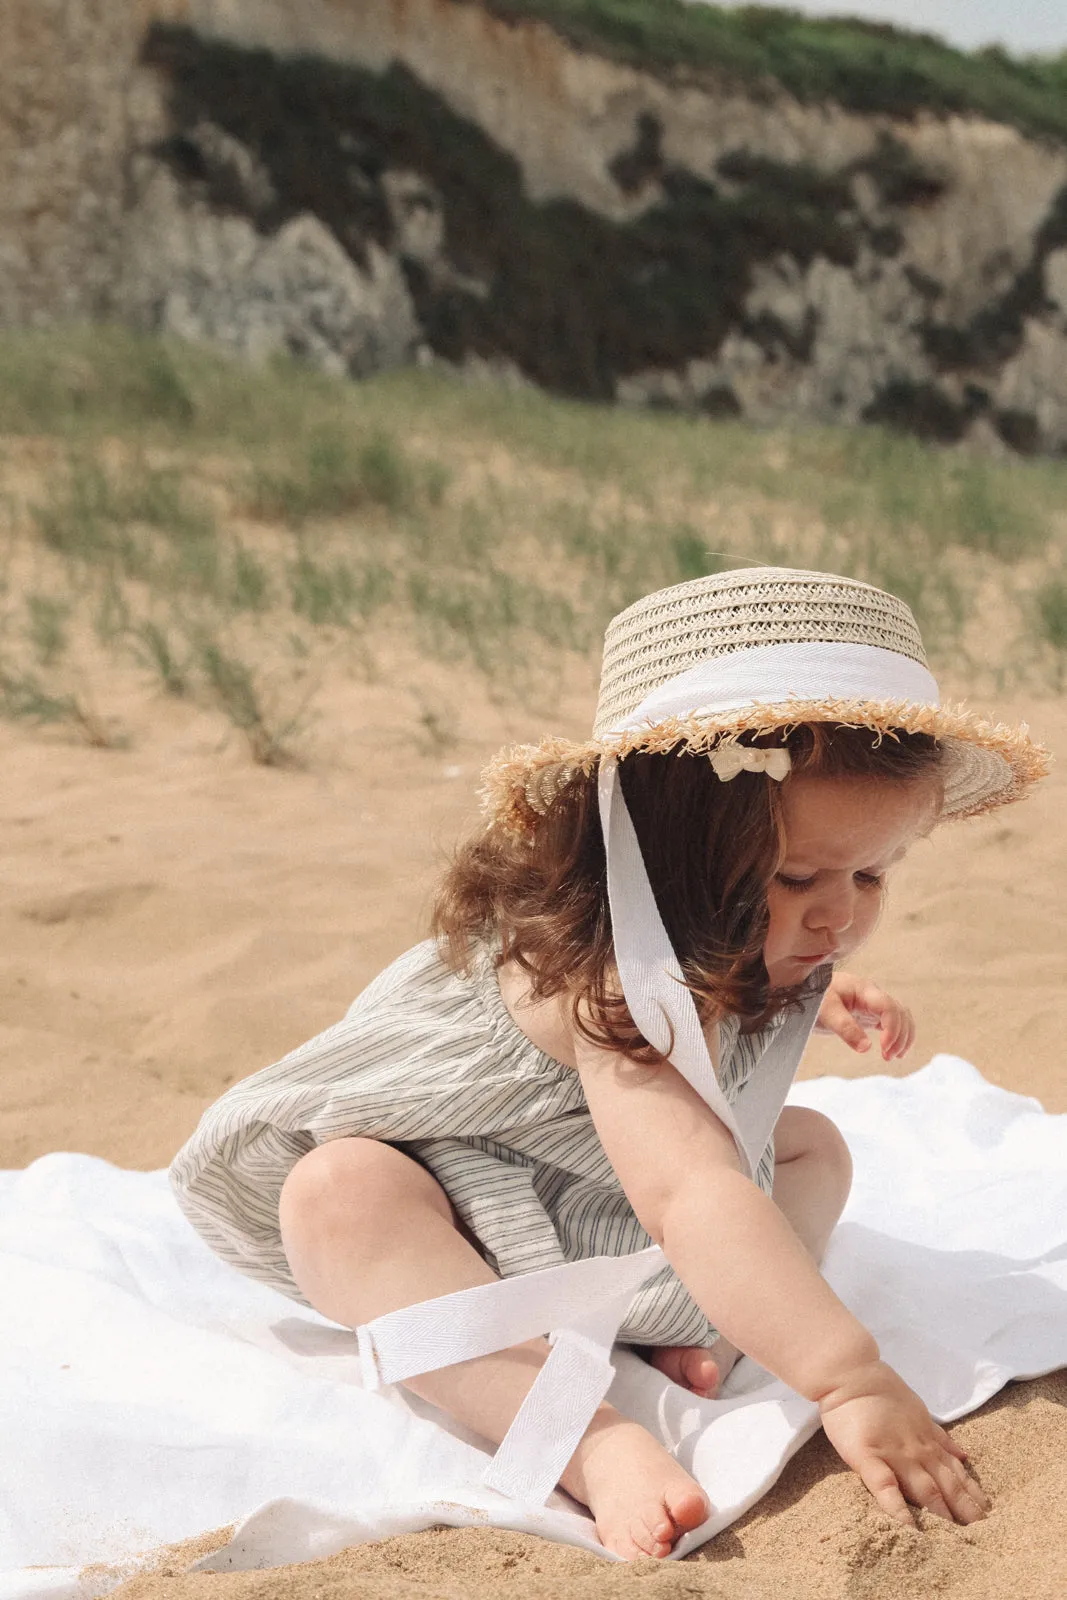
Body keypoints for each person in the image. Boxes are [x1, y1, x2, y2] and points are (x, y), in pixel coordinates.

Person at [170, 567, 1047, 1561]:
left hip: (594, 1204)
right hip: (468, 1214)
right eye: (797, 877)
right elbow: (685, 1190)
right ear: (666, 859)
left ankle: (695, 1326)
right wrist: (846, 1375)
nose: (837, 914)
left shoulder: (737, 928)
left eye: (871, 873)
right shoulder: (597, 980)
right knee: (336, 1193)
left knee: (812, 1148)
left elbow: (723, 1056)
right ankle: (585, 1438)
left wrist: (819, 992)